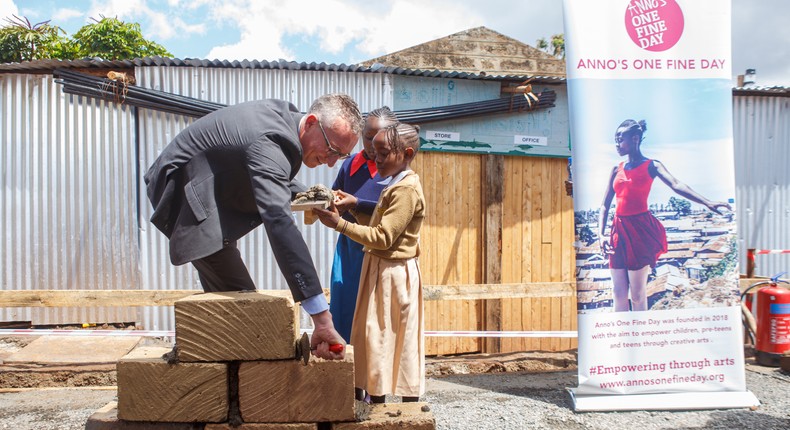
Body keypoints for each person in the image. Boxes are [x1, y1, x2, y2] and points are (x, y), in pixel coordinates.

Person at [144, 94, 364, 359]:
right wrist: (321, 316)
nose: (331, 162)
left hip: (209, 188)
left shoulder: (285, 123)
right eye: (331, 150)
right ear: (312, 123)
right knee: (246, 307)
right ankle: (221, 376)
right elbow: (278, 220)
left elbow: (274, 177)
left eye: (341, 156)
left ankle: (225, 362)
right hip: (185, 192)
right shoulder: (271, 139)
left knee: (238, 306)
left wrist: (313, 197)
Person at [314, 122, 425, 403]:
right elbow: (379, 221)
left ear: (407, 153)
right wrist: (354, 206)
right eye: (374, 153)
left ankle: (395, 408)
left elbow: (383, 236)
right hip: (380, 270)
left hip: (393, 275)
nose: (376, 160)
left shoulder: (406, 190)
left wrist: (340, 224)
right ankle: (376, 402)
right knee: (375, 338)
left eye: (383, 154)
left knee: (387, 339)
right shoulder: (396, 184)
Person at [598, 119, 731, 312]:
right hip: (618, 231)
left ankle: (640, 337)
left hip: (640, 231)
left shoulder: (652, 165)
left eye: (620, 139)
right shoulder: (615, 169)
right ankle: (621, 339)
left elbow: (676, 185)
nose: (617, 144)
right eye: (615, 139)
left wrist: (707, 202)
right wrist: (601, 235)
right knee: (618, 294)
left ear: (635, 139)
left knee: (636, 295)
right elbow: (604, 206)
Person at [329, 107, 398, 343]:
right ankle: (346, 364)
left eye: (375, 138)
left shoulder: (395, 171)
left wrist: (357, 203)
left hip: (377, 248)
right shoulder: (350, 165)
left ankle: (372, 372)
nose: (369, 143)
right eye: (366, 136)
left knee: (374, 312)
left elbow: (394, 210)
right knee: (344, 305)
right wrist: (330, 203)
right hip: (348, 248)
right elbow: (337, 194)